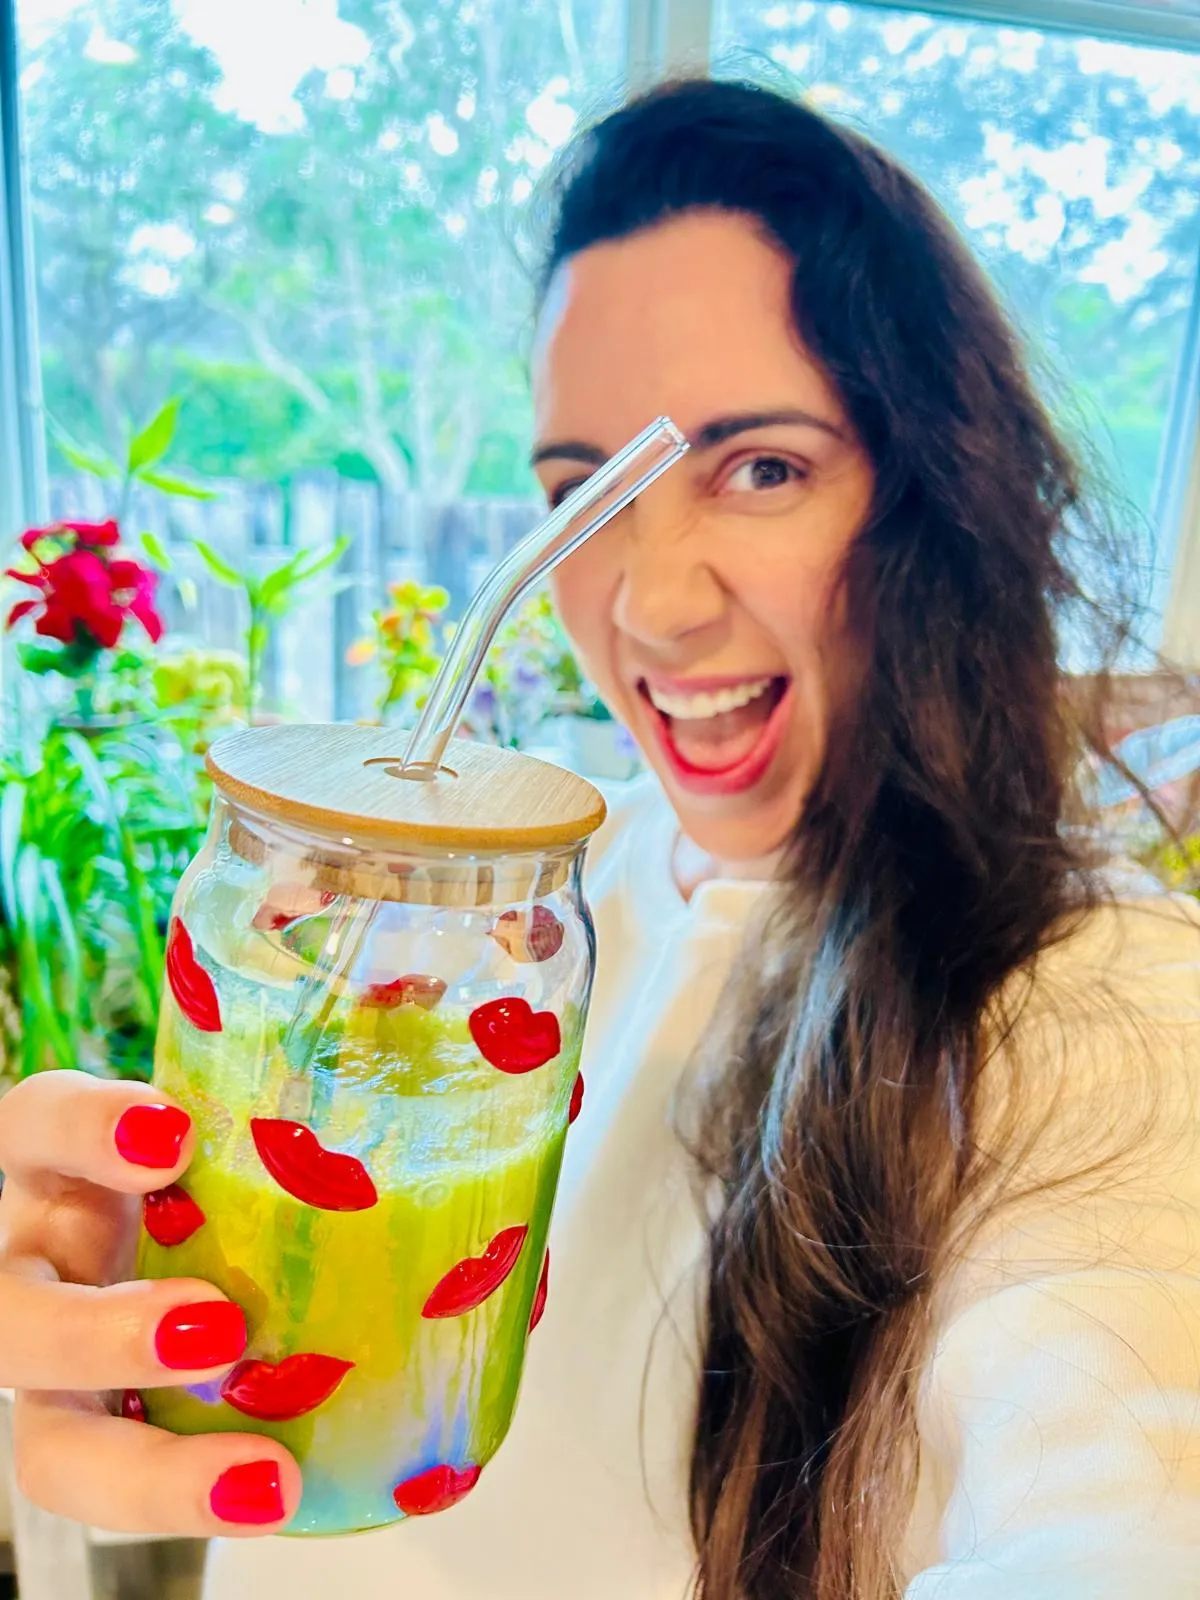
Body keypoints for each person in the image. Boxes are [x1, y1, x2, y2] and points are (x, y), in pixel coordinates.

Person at [2, 77, 1199, 1600]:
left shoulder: (1106, 1006)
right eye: (586, 492)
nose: (650, 605)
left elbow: (1129, 1515)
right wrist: (116, 1285)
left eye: (762, 468)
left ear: (933, 493)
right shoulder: (514, 913)